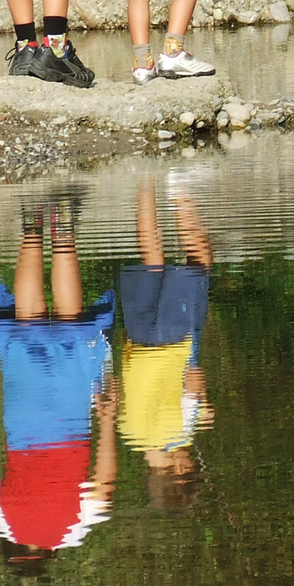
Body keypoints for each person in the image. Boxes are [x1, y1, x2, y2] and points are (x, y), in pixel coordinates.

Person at [0, 198, 117, 568]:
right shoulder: (3, 522)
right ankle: (31, 227)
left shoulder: (72, 533)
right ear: (11, 549)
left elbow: (104, 487)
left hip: (70, 421)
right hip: (23, 419)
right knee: (28, 320)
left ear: (45, 555)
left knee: (70, 320)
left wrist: (107, 421)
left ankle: (62, 225)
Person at [116, 178, 214, 509]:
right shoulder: (128, 434)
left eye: (189, 466)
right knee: (152, 257)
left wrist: (202, 404)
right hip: (139, 338)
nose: (190, 461)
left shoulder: (180, 435)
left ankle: (181, 189)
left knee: (199, 260)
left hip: (174, 343)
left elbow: (191, 383)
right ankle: (146, 180)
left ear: (179, 473)